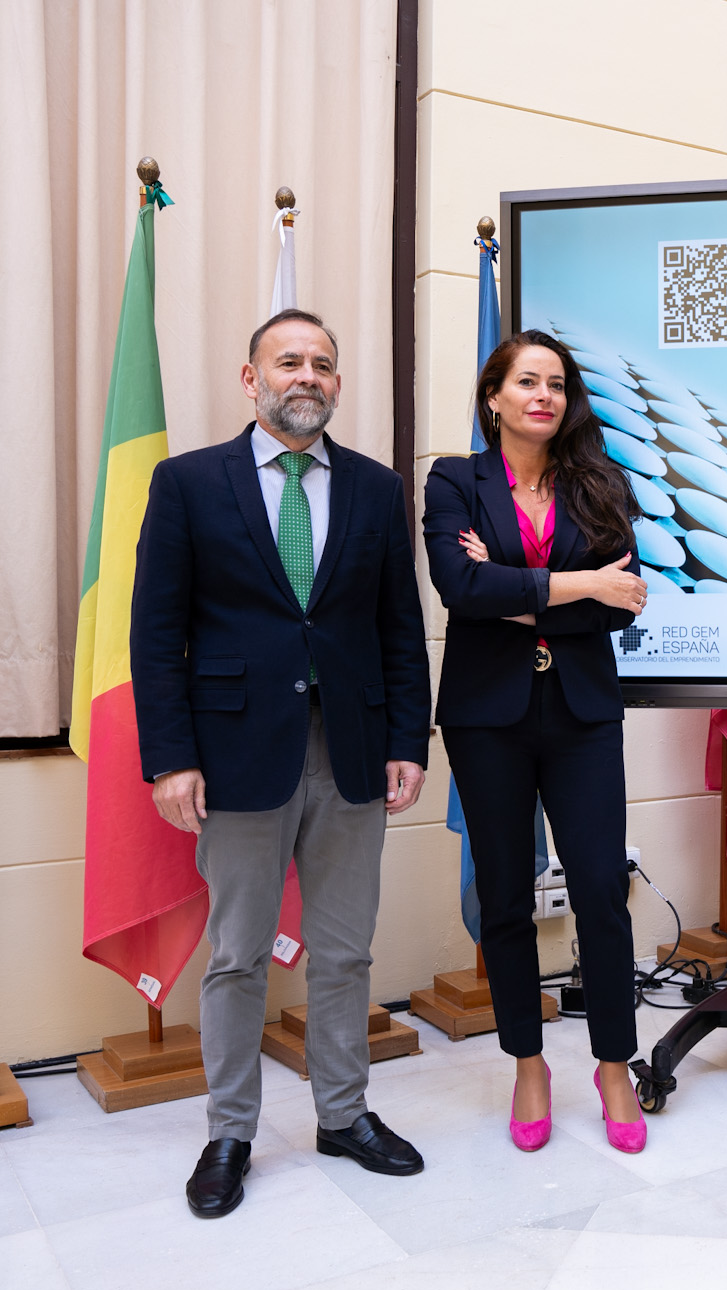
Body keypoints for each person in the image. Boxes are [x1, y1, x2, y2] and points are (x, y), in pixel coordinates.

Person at [132, 308, 433, 1218]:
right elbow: (156, 634)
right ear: (251, 378)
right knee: (237, 956)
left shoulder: (378, 489)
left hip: (352, 752)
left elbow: (400, 628)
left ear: (337, 383)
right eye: (289, 361)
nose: (308, 376)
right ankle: (230, 1131)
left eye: (324, 364)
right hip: (235, 756)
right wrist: (171, 758)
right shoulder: (188, 483)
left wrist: (407, 740)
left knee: (344, 950)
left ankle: (344, 1114)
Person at [423, 329, 649, 1154]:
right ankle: (528, 1062)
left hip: (582, 713)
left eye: (556, 383)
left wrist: (514, 590)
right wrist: (581, 583)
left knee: (600, 888)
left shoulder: (600, 483)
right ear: (494, 397)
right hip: (488, 716)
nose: (543, 395)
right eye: (526, 381)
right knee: (505, 896)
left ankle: (614, 1065)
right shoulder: (454, 480)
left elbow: (626, 600)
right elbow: (459, 586)